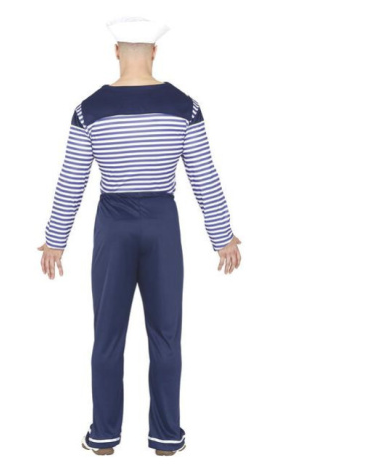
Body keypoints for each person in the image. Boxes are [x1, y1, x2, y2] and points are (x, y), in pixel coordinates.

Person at [38, 16, 242, 457]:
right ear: (154, 52)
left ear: (116, 52)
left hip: (113, 226)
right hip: (161, 225)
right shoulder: (184, 106)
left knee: (107, 335)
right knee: (166, 335)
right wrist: (222, 235)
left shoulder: (89, 109)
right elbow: (204, 176)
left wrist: (55, 240)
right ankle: (166, 438)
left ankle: (103, 437)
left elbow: (71, 181)